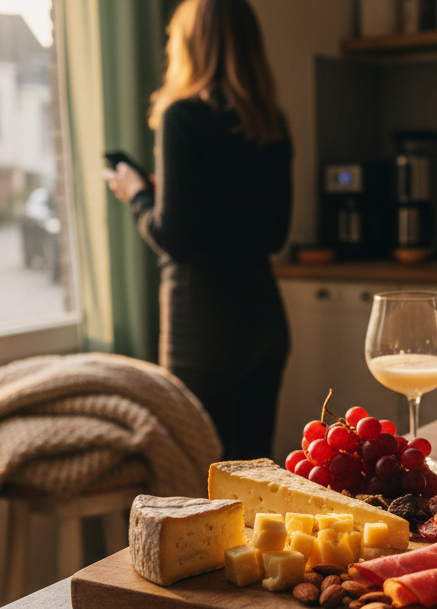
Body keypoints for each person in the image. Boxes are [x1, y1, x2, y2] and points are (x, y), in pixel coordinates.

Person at [104, 0, 292, 462]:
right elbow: (274, 235)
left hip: (205, 325)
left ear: (188, 44)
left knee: (203, 478)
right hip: (264, 318)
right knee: (255, 479)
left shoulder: (182, 115)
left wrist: (138, 196)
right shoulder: (271, 122)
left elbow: (176, 237)